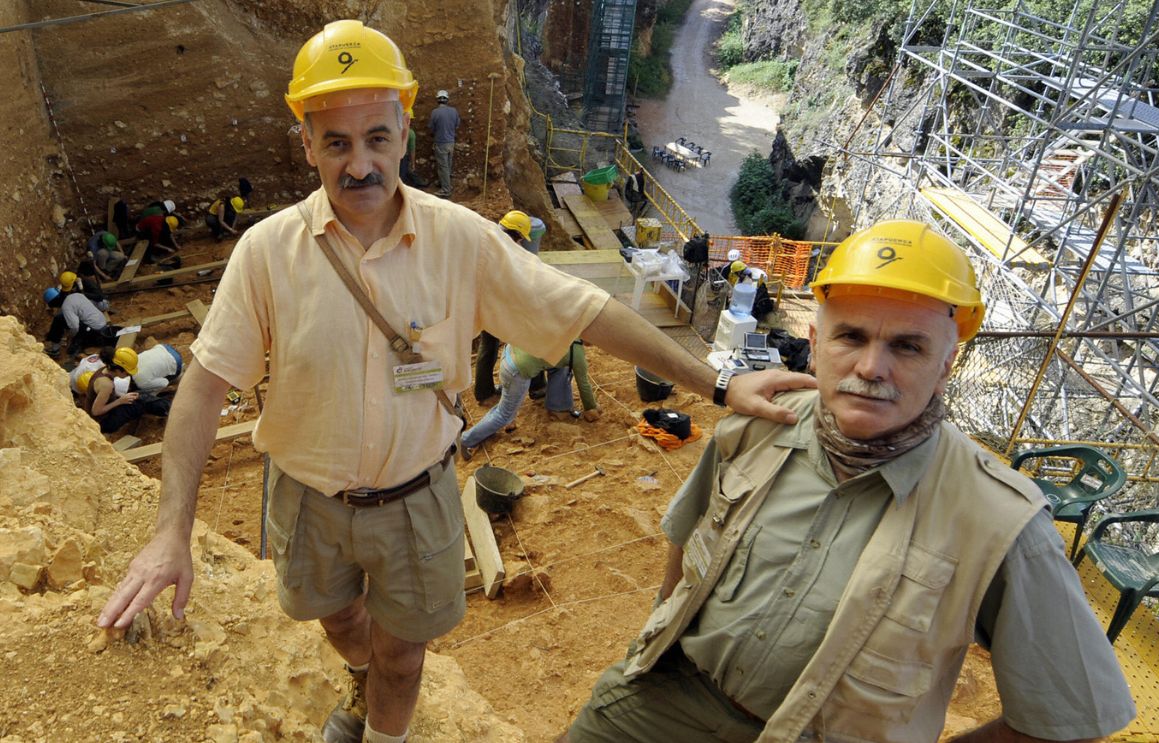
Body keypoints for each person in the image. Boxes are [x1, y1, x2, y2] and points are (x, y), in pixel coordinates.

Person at [95, 20, 812, 743]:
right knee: (340, 621)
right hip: (306, 498)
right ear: (306, 143)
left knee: (403, 658)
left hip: (416, 499)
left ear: (404, 132)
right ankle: (358, 673)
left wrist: (717, 385)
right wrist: (169, 535)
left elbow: (587, 310)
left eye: (376, 137)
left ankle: (384, 731)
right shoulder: (266, 253)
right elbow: (205, 385)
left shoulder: (459, 239)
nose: (360, 165)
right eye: (336, 143)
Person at [559, 220, 1137, 743]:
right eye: (851, 337)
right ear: (816, 344)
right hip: (669, 697)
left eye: (907, 346)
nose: (870, 368)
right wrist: (654, 642)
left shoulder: (1000, 520)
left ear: (945, 366)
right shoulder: (757, 430)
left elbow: (1070, 717)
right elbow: (686, 538)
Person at [461, 340, 598, 458]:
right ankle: (466, 440)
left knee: (562, 367)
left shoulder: (566, 331)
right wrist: (591, 407)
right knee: (504, 415)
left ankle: (557, 406)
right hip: (516, 371)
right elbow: (584, 384)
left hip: (511, 352)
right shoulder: (577, 353)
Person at [474, 210, 538, 404]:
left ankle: (484, 392)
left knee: (489, 346)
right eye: (519, 239)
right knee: (526, 340)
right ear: (516, 234)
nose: (519, 243)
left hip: (486, 303)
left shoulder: (490, 238)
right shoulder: (500, 249)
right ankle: (536, 387)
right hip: (492, 306)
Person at [81, 348, 171, 433]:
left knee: (139, 394)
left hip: (101, 415)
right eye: (127, 372)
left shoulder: (103, 370)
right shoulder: (106, 385)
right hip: (103, 422)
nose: (128, 375)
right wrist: (120, 401)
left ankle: (165, 406)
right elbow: (96, 411)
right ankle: (169, 410)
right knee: (140, 402)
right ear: (117, 369)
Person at [43, 287, 120, 357]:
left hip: (95, 332)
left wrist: (70, 336)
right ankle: (57, 344)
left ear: (54, 302)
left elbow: (75, 327)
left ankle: (55, 350)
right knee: (61, 317)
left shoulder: (66, 307)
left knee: (59, 320)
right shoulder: (76, 295)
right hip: (102, 323)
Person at [106, 343, 184, 393]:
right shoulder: (130, 360)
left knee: (155, 386)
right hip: (164, 347)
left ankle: (180, 375)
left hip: (176, 362)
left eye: (116, 374)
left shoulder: (141, 383)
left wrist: (152, 393)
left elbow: (165, 383)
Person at [427, 89, 460, 198]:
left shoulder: (435, 112)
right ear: (447, 100)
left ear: (438, 100)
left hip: (441, 142)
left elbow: (431, 128)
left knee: (443, 167)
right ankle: (446, 184)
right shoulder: (454, 111)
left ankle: (446, 190)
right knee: (448, 165)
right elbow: (457, 125)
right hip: (451, 142)